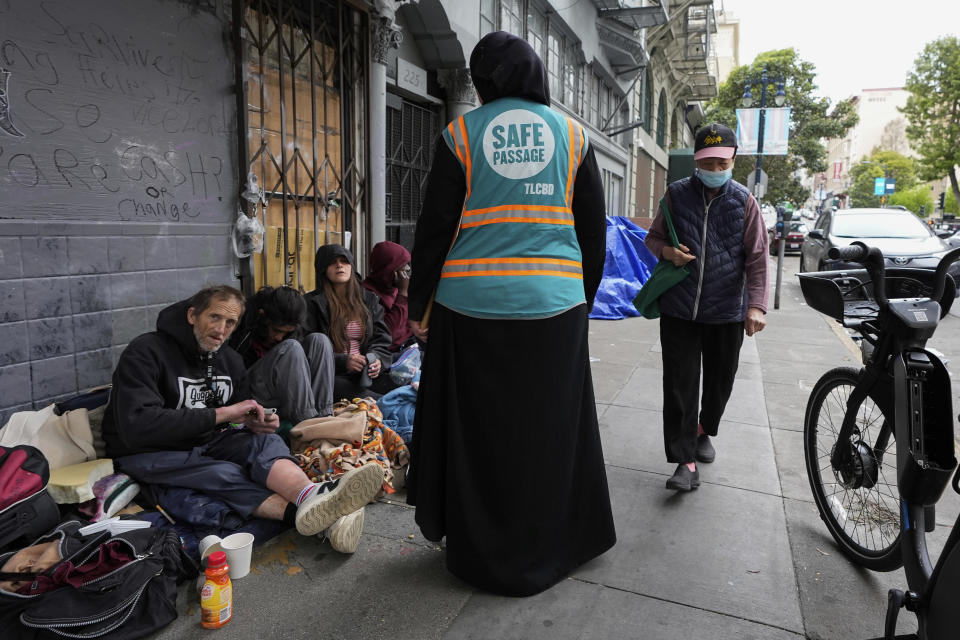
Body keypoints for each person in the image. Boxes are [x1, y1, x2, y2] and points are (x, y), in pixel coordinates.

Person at [405, 31, 615, 597]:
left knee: (480, 434)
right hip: (554, 309)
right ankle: (553, 543)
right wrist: (581, 297)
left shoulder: (461, 135)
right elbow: (592, 231)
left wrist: (417, 306)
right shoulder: (573, 136)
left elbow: (433, 231)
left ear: (483, 78)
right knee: (550, 430)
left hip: (469, 311)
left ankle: (480, 547)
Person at [100, 285, 383, 553]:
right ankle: (324, 520)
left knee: (265, 442)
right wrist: (222, 415)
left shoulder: (228, 360)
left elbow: (234, 421)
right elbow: (138, 425)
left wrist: (251, 423)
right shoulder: (146, 351)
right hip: (152, 450)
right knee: (222, 473)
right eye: (214, 317)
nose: (221, 329)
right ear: (192, 315)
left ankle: (311, 495)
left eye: (230, 323)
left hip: (207, 439)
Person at [643, 122, 769, 492]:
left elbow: (758, 257)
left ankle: (703, 429)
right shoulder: (676, 195)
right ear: (697, 161)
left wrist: (757, 305)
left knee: (719, 384)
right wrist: (668, 253)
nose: (714, 170)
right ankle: (684, 461)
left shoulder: (744, 201)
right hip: (680, 309)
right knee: (679, 386)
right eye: (707, 163)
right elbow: (653, 238)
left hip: (727, 310)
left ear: (732, 161)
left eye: (721, 163)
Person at [229, 285, 336, 423]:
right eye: (276, 330)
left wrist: (344, 361)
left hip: (284, 392)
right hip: (248, 391)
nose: (279, 337)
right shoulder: (246, 318)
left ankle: (325, 418)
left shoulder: (295, 325)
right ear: (263, 316)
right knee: (290, 347)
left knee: (320, 341)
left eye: (286, 332)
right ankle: (307, 424)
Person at [304, 245, 393, 401]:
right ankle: (380, 403)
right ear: (323, 269)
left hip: (364, 374)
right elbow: (308, 349)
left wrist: (376, 359)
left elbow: (381, 338)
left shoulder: (369, 300)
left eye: (344, 261)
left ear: (351, 266)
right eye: (332, 262)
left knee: (400, 384)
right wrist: (343, 361)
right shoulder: (311, 304)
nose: (339, 265)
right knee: (343, 388)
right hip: (332, 376)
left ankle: (382, 402)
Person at [361, 241, 415, 353]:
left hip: (407, 347)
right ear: (389, 270)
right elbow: (388, 334)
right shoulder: (368, 294)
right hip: (385, 356)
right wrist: (403, 294)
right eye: (402, 266)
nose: (407, 269)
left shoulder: (392, 289)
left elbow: (409, 325)